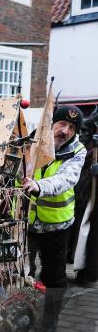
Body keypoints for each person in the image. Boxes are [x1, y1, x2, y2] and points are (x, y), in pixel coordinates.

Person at [22, 105, 87, 331]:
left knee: (54, 276)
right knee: (22, 272)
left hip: (57, 224)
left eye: (71, 127)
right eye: (62, 124)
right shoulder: (29, 142)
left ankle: (50, 320)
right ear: (51, 124)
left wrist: (38, 186)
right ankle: (22, 316)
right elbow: (6, 169)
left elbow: (66, 179)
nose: (65, 131)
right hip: (26, 222)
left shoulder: (78, 150)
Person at [68, 108, 98, 284]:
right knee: (82, 232)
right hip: (84, 191)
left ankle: (89, 273)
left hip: (93, 195)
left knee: (90, 233)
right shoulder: (84, 145)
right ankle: (83, 270)